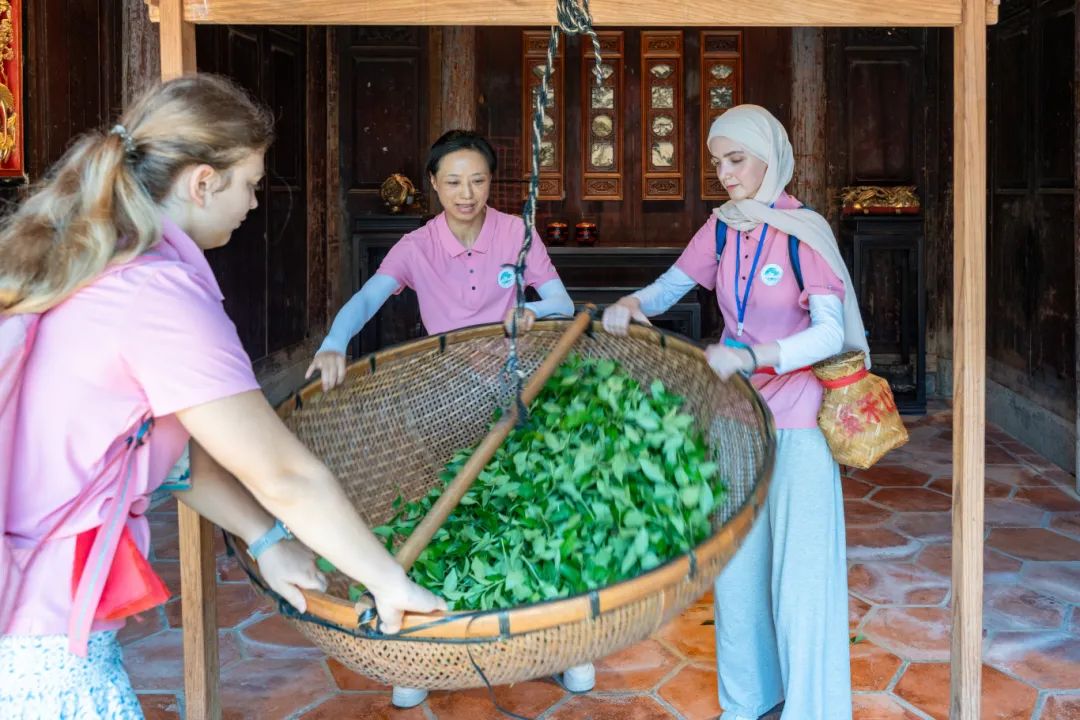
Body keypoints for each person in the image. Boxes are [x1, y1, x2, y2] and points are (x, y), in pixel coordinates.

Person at [0, 74, 445, 719]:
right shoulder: (156, 295)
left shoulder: (105, 259)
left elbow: (177, 461)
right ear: (203, 182)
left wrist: (267, 540)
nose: (255, 203)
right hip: (34, 629)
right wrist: (387, 581)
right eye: (250, 184)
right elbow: (285, 476)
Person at [602, 104, 869, 720]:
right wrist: (633, 303)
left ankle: (811, 710)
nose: (724, 173)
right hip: (737, 417)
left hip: (799, 417)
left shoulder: (803, 232)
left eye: (736, 160)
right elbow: (670, 286)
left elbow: (830, 333)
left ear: (770, 158)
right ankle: (747, 701)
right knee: (738, 565)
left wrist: (755, 356)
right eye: (717, 162)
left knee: (801, 575)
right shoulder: (723, 227)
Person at [306, 130, 575, 392]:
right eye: (453, 182)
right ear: (434, 181)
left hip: (515, 378)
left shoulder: (518, 233)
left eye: (478, 181)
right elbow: (367, 298)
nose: (467, 194)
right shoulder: (416, 246)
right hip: (447, 383)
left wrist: (531, 310)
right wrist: (333, 343)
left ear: (490, 179)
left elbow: (564, 304)